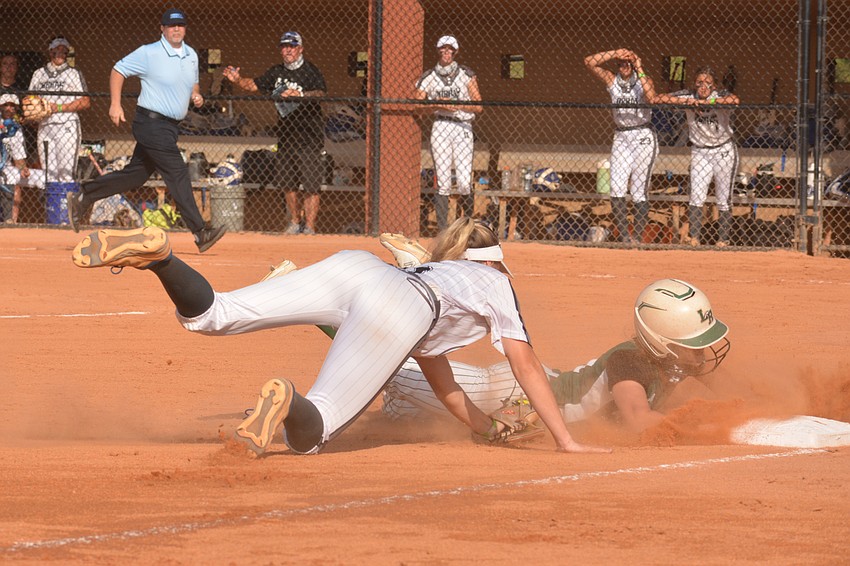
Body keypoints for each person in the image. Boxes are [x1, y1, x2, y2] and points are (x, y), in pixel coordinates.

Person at [70, 218, 609, 456]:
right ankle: (289, 402)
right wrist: (566, 441)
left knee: (216, 313)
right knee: (318, 427)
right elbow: (527, 366)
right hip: (401, 307)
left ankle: (162, 257)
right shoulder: (496, 285)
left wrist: (485, 428)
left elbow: (441, 378)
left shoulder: (441, 272)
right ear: (498, 261)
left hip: (359, 268)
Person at [383, 277, 730, 434]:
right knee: (398, 369)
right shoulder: (631, 362)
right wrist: (702, 424)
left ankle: (396, 404)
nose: (702, 350)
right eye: (695, 342)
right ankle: (381, 331)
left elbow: (732, 387)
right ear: (661, 340)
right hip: (518, 393)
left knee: (409, 412)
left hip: (541, 387)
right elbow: (638, 419)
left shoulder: (675, 357)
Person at [66, 9, 226, 253]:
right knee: (178, 172)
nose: (176, 29)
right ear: (162, 29)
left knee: (135, 176)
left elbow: (193, 81)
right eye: (171, 25)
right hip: (151, 123)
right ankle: (200, 231)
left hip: (171, 127)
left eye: (180, 25)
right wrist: (115, 103)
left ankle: (84, 196)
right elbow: (118, 70)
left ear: (185, 28)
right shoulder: (149, 52)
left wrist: (196, 94)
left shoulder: (191, 55)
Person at [223, 31, 327, 235]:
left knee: (311, 184)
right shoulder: (277, 72)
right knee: (288, 183)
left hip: (309, 136)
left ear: (300, 49)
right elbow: (253, 85)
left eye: (292, 46)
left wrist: (301, 94)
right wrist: (237, 79)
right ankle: (295, 222)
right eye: (284, 46)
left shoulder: (311, 71)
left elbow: (322, 92)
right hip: (287, 136)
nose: (287, 50)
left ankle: (310, 227)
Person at [637, 61, 741, 247]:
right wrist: (686, 101)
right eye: (699, 82)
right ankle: (694, 238)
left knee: (723, 197)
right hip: (700, 150)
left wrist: (708, 102)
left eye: (707, 82)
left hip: (723, 149)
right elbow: (657, 99)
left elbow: (734, 100)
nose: (703, 86)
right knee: (696, 196)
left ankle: (723, 240)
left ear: (714, 85)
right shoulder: (689, 95)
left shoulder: (720, 94)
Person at [584, 49, 658, 243]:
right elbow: (589, 62)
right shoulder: (612, 80)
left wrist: (639, 66)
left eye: (628, 63)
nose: (625, 66)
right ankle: (626, 237)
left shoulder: (643, 80)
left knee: (638, 190)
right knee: (616, 188)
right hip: (621, 136)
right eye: (621, 63)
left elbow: (651, 98)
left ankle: (638, 238)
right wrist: (615, 53)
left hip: (642, 134)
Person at [414, 35, 483, 230]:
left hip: (462, 125)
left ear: (455, 51)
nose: (446, 52)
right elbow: (417, 106)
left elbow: (479, 106)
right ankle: (443, 230)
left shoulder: (466, 74)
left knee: (463, 179)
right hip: (441, 125)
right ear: (438, 51)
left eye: (450, 49)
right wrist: (438, 104)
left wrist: (459, 105)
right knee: (443, 179)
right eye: (443, 49)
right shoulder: (429, 76)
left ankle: (466, 227)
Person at [27, 36, 90, 187]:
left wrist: (59, 108)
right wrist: (33, 114)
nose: (61, 53)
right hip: (45, 127)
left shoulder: (74, 73)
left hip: (66, 125)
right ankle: (52, 210)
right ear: (50, 51)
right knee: (49, 175)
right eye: (57, 49)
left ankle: (67, 210)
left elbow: (85, 102)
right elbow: (30, 100)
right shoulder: (38, 74)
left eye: (64, 50)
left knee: (66, 174)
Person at [1, 93, 45, 222]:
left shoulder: (16, 127)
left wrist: (22, 168)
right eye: (5, 105)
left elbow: (17, 154)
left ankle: (11, 222)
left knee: (44, 178)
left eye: (12, 106)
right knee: (8, 177)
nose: (9, 109)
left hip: (6, 168)